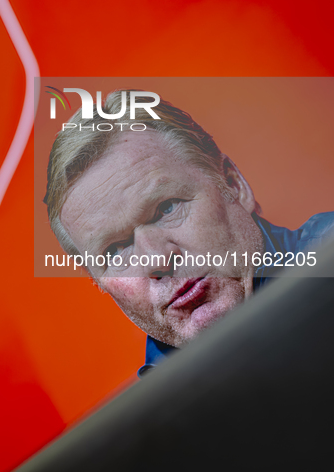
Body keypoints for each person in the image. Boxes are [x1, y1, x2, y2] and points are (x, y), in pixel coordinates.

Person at [44, 89, 334, 376]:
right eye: (116, 250)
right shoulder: (153, 419)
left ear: (233, 185)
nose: (156, 259)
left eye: (166, 208)